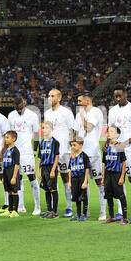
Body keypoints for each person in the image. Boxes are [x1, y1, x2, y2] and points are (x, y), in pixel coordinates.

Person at [107, 84, 131, 224]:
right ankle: (120, 211)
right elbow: (111, 130)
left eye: (120, 96)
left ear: (125, 94)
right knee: (117, 180)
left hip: (130, 150)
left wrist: (126, 142)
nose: (117, 98)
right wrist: (108, 142)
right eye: (115, 96)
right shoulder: (112, 111)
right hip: (116, 150)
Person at [73, 92, 106, 220]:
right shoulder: (78, 114)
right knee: (82, 183)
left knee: (99, 181)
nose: (78, 103)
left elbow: (88, 128)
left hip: (92, 152)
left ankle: (103, 211)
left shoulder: (96, 112)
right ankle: (84, 212)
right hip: (80, 153)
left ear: (87, 101)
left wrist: (82, 116)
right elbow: (75, 132)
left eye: (80, 101)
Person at [44, 89, 75, 218]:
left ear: (59, 97)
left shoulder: (66, 112)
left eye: (52, 96)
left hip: (64, 150)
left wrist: (73, 149)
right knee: (50, 179)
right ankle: (52, 209)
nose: (50, 98)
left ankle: (69, 207)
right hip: (50, 151)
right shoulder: (46, 113)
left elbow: (73, 131)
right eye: (49, 96)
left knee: (65, 177)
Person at [8, 96, 41, 215]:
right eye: (17, 108)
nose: (19, 110)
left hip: (27, 152)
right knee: (18, 177)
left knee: (31, 177)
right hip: (15, 152)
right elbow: (9, 135)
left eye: (21, 107)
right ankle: (21, 205)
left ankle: (37, 206)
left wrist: (35, 151)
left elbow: (37, 134)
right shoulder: (11, 115)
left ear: (24, 103)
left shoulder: (32, 115)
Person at [101, 126, 128, 225]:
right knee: (108, 195)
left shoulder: (119, 146)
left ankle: (125, 218)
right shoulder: (105, 147)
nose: (109, 133)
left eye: (112, 132)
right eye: (108, 132)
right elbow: (104, 163)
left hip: (116, 174)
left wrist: (122, 177)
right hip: (108, 174)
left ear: (117, 135)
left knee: (120, 195)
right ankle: (111, 217)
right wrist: (103, 177)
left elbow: (124, 162)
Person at [37, 121, 60, 220]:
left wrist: (53, 170)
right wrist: (38, 170)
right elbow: (39, 157)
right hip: (44, 168)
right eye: (43, 128)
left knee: (53, 189)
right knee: (46, 189)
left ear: (51, 129)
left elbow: (56, 157)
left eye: (46, 128)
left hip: (51, 167)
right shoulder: (41, 142)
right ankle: (49, 210)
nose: (44, 130)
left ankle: (54, 212)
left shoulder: (55, 142)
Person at [0, 131, 21, 218]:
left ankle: (16, 211)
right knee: (9, 191)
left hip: (12, 172)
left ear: (14, 139)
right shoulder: (6, 150)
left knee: (14, 191)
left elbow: (16, 164)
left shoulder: (15, 151)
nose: (5, 139)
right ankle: (10, 209)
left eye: (8, 137)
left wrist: (14, 177)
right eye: (5, 137)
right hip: (6, 172)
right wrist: (4, 176)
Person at [68, 139, 91, 222]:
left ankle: (84, 214)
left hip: (81, 178)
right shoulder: (71, 157)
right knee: (76, 196)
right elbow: (70, 169)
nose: (72, 147)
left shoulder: (84, 156)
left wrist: (85, 181)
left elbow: (87, 169)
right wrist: (69, 182)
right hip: (74, 179)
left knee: (83, 197)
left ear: (81, 145)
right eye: (71, 145)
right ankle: (78, 214)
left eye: (74, 145)